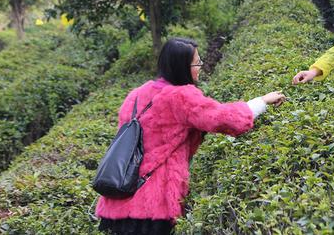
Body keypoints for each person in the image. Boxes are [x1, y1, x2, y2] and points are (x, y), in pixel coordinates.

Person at [97, 37, 285, 234]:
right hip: (153, 206)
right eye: (196, 62)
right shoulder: (181, 96)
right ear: (181, 66)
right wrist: (262, 101)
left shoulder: (136, 94)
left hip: (118, 197)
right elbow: (224, 119)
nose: (200, 66)